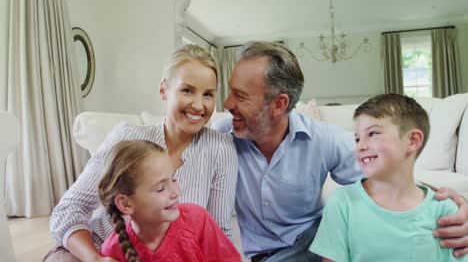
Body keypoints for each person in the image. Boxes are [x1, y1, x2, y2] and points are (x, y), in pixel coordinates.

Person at [212, 41, 468, 262]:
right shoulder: (222, 136)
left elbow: (388, 180)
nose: (227, 104)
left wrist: (455, 204)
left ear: (279, 104)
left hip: (314, 242)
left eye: (240, 96)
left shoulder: (324, 139)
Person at [45, 45, 238, 262]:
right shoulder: (127, 136)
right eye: (187, 90)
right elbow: (70, 208)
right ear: (164, 90)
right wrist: (95, 258)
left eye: (208, 94)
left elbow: (219, 231)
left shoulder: (220, 149)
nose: (198, 105)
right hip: (97, 250)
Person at [310, 94, 468, 262]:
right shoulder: (342, 202)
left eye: (372, 133)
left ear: (413, 141)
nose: (361, 146)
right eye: (357, 139)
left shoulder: (444, 210)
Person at [98, 140, 241, 261]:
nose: (176, 192)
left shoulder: (197, 219)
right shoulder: (112, 250)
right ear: (125, 204)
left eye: (174, 179)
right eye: (160, 188)